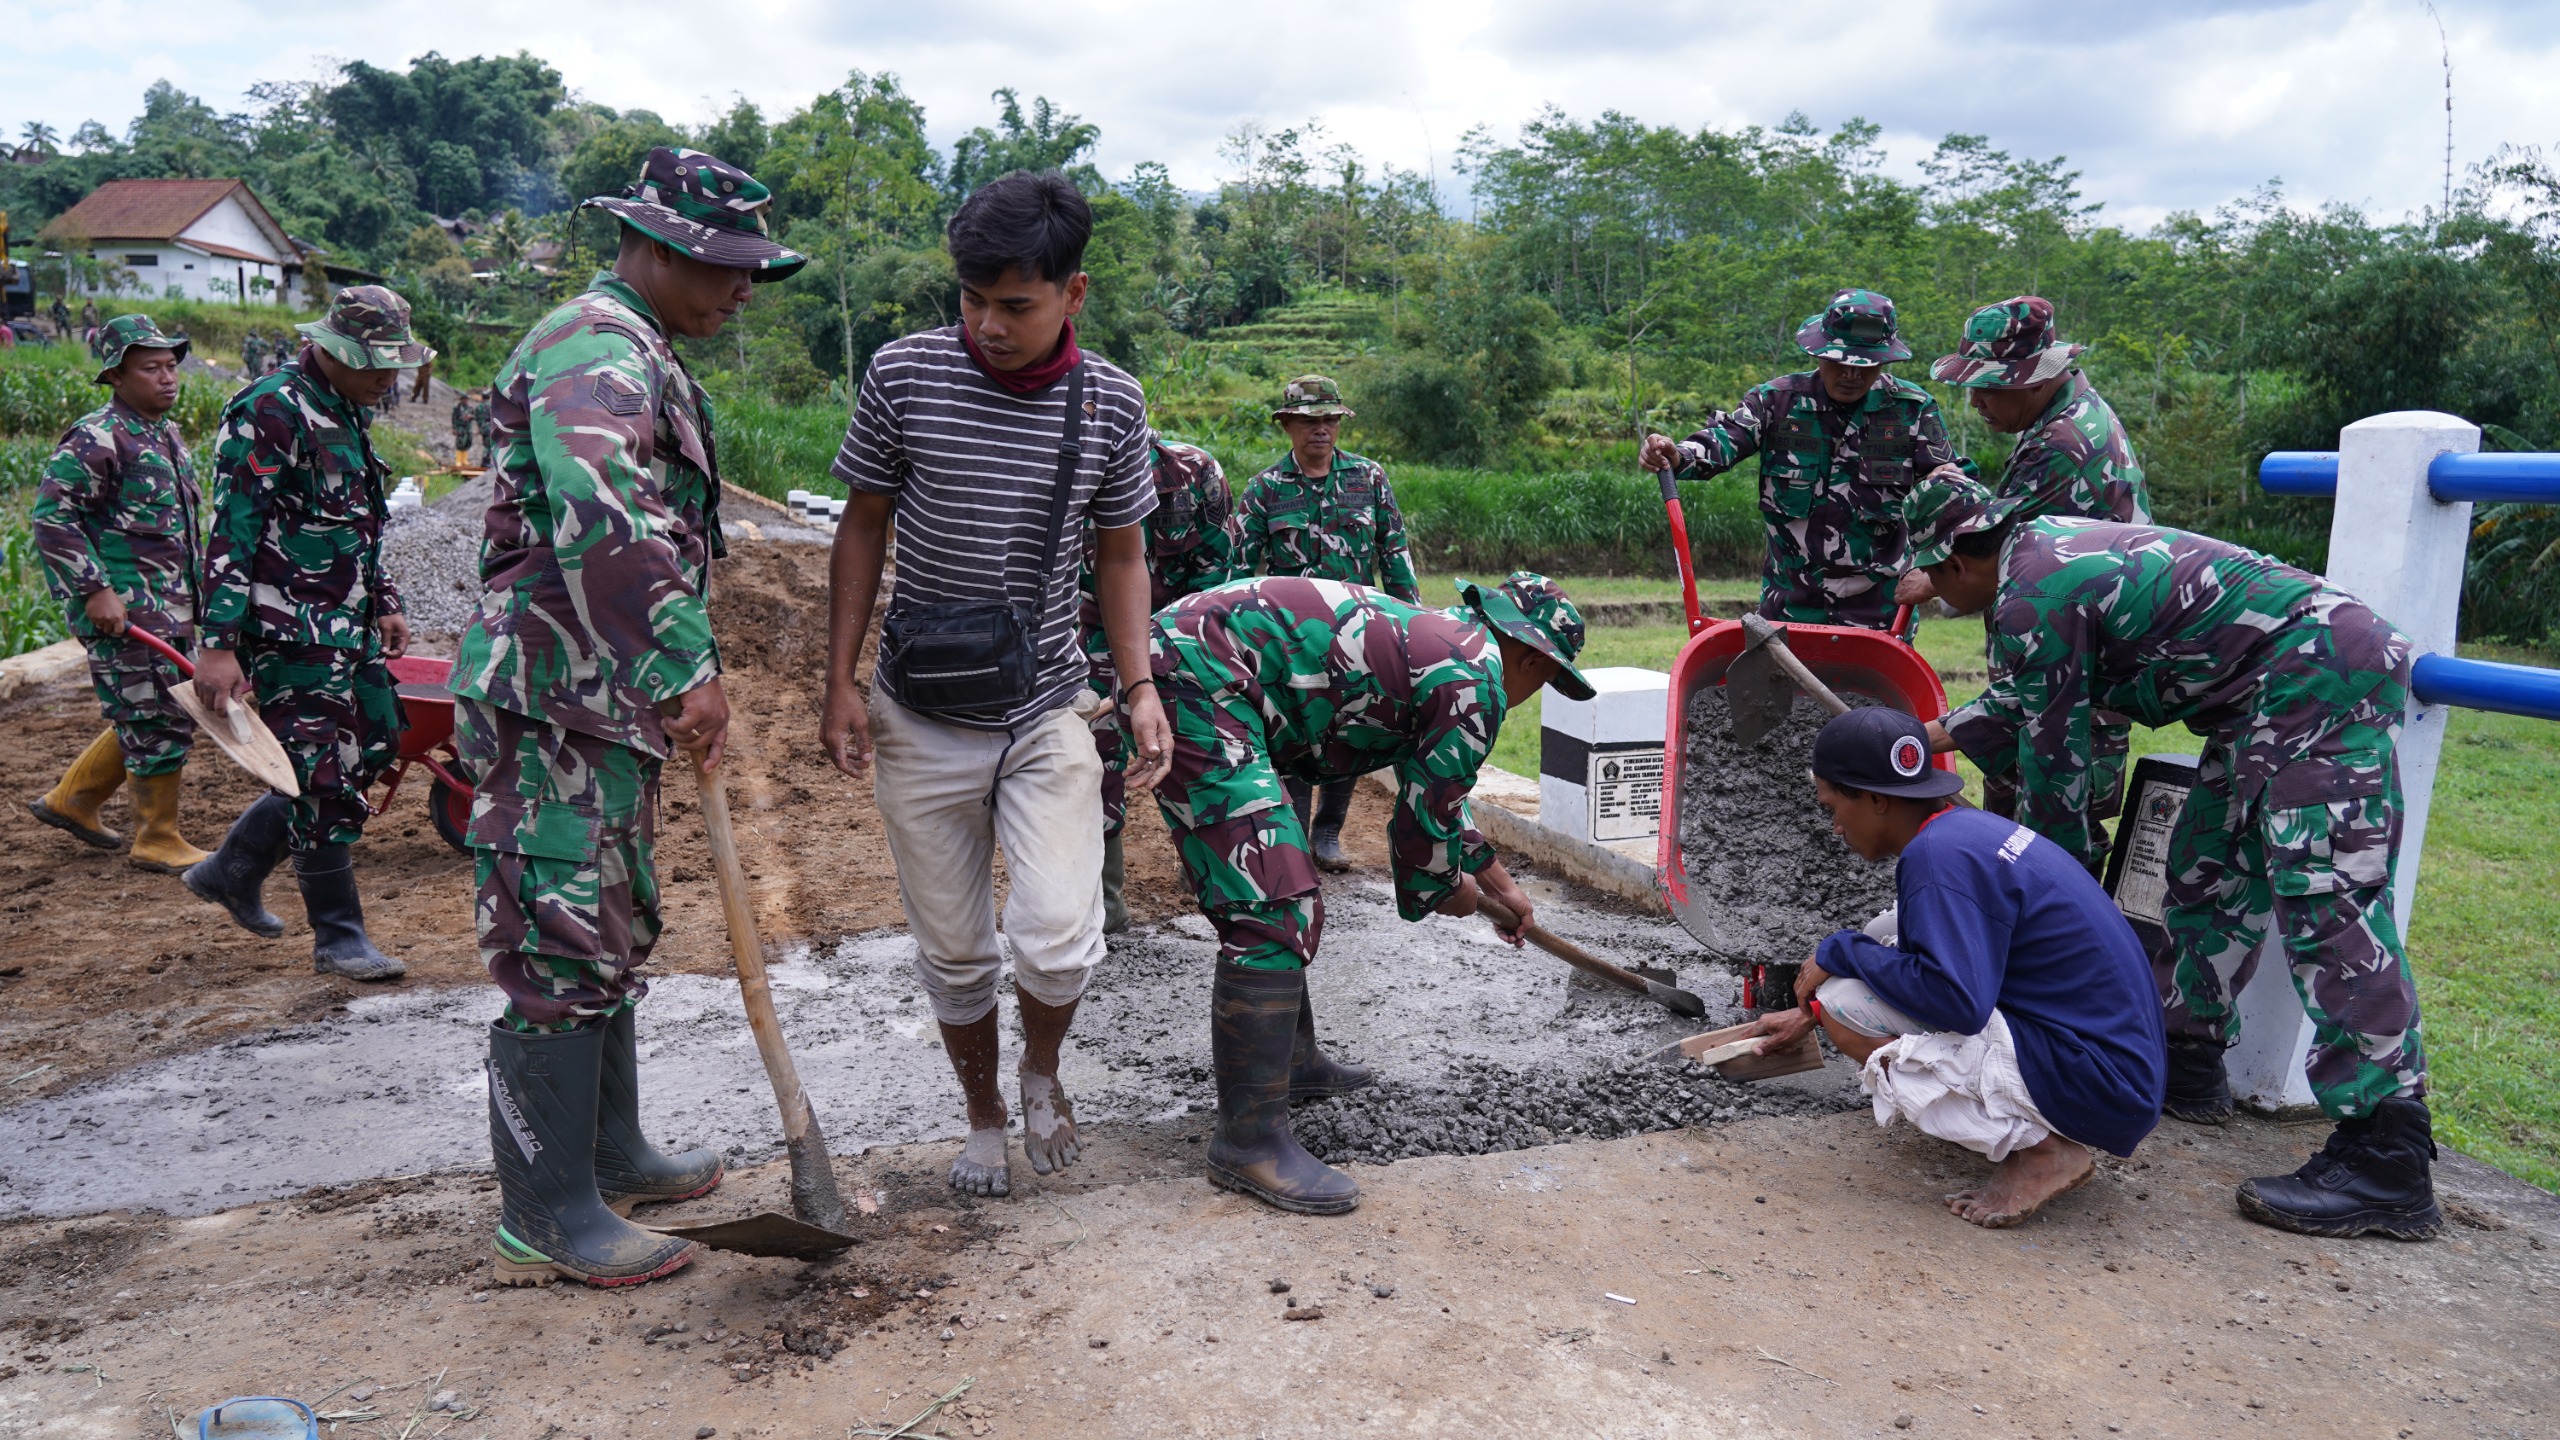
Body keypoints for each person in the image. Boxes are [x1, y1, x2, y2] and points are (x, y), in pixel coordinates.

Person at [1905, 471, 2441, 1240]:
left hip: (2319, 677)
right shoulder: (2035, 558)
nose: (1936, 597)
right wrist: (1918, 741)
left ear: (1960, 558)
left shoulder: (2033, 595)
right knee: (2204, 871)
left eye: (1936, 581)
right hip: (2257, 698)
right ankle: (2188, 1056)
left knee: (2327, 905)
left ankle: (2387, 1152)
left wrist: (2043, 911)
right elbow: (2023, 703)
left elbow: (2057, 781)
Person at [451, 145, 800, 1288]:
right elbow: (602, 511)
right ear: (651, 247)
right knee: (557, 938)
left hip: (593, 705)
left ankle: (608, 1151)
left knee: (605, 922)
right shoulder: (596, 346)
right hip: (556, 696)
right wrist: (681, 666)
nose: (744, 288)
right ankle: (548, 1210)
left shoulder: (635, 345)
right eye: (723, 265)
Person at [821, 170, 1170, 1201]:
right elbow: (861, 526)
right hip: (919, 710)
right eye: (970, 300)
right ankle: (982, 1116)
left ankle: (1041, 1069)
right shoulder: (902, 375)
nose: (985, 325)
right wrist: (838, 680)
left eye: (1013, 305)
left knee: (1059, 938)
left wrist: (1139, 683)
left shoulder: (1109, 398)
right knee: (957, 952)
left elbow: (1120, 555)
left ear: (1074, 293)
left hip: (1045, 703)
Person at [1152, 571, 1587, 1213]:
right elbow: (1422, 851)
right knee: (1274, 901)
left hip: (1201, 660)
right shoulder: (1479, 681)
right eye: (1547, 680)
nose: (1533, 693)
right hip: (1199, 678)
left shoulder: (1450, 649)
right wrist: (1450, 890)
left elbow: (1440, 795)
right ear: (1531, 658)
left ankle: (1292, 1063)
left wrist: (1501, 887)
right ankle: (1248, 1142)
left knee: (1283, 880)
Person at [1743, 707, 2165, 1228]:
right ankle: (2031, 1125)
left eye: (1833, 806)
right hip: (2116, 1063)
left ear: (1876, 800)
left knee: (1843, 1004)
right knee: (1883, 931)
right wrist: (1805, 1012)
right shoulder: (1963, 831)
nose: (1834, 826)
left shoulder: (1934, 860)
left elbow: (1958, 1004)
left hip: (2100, 1082)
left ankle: (2043, 1152)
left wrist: (1841, 953)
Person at [181, 286, 426, 985]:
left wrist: (384, 597)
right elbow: (232, 529)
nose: (392, 378)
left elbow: (358, 521)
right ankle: (339, 937)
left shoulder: (346, 409)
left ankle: (232, 868)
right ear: (333, 349)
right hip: (289, 627)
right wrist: (220, 643)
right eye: (378, 363)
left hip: (346, 623)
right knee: (319, 771)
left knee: (373, 745)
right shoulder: (270, 408)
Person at [1637, 289, 1963, 628]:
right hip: (1788, 610)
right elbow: (1724, 440)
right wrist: (1678, 456)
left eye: (1864, 365)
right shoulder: (1776, 402)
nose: (1851, 375)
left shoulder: (1912, 410)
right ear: (1819, 352)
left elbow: (1950, 494)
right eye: (1840, 362)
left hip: (1880, 615)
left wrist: (1936, 573)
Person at [27, 315, 212, 872]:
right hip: (125, 610)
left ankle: (73, 800)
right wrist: (94, 589)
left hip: (168, 606)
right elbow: (53, 516)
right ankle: (157, 837)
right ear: (115, 375)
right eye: (150, 367)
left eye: (171, 366)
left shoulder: (164, 435)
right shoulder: (96, 435)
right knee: (155, 716)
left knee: (151, 708)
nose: (167, 377)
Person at [1234, 375, 1421, 871]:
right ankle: (1294, 835)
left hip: (1357, 634)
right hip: (1287, 640)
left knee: (1352, 726)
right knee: (1294, 732)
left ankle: (1328, 834)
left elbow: (1394, 554)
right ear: (1289, 425)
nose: (1322, 429)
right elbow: (1238, 571)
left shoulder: (1369, 479)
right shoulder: (1265, 490)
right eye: (1311, 420)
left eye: (1330, 420)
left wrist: (1413, 625)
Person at [1079, 434, 1239, 933]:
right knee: (1088, 763)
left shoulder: (1194, 474)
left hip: (1178, 631)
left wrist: (1186, 658)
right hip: (1088, 633)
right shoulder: (1067, 471)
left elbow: (1215, 577)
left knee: (1204, 750)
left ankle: (1226, 884)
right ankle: (1105, 908)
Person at [451, 389, 477, 466]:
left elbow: (475, 416)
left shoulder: (470, 408)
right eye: (464, 399)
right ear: (461, 400)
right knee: (460, 443)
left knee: (467, 443)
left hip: (468, 428)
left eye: (466, 399)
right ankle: (458, 460)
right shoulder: (457, 408)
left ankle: (464, 460)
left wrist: (470, 417)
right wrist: (454, 428)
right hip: (460, 428)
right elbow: (453, 418)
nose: (465, 401)